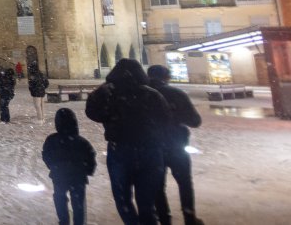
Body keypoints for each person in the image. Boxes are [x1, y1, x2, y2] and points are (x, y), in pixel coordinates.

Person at [85, 59, 171, 225]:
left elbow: (93, 113)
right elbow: (165, 119)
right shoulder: (151, 94)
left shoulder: (109, 93)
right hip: (150, 150)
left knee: (123, 199)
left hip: (121, 150)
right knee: (147, 202)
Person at [147, 65, 204, 225]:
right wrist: (176, 116)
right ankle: (189, 217)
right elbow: (195, 121)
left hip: (153, 147)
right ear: (167, 77)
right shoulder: (176, 93)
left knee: (158, 185)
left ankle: (164, 219)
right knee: (184, 182)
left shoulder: (143, 94)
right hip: (176, 144)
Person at [42, 107, 97, 225]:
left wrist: (53, 167)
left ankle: (64, 221)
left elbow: (46, 155)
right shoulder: (82, 142)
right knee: (78, 203)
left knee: (60, 199)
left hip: (59, 176)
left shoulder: (52, 140)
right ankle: (79, 222)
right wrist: (88, 170)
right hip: (78, 177)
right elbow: (91, 157)